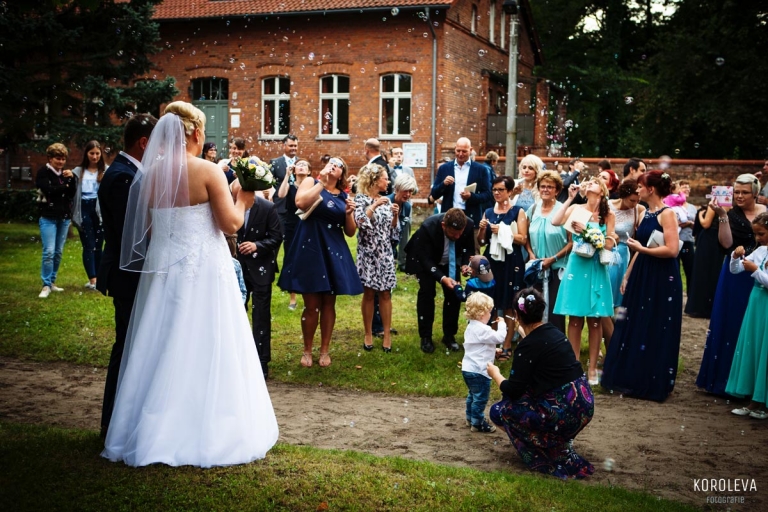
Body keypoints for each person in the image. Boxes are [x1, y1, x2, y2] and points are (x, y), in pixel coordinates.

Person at [102, 101, 278, 467]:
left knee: (161, 342)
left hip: (162, 270)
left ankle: (147, 427)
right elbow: (230, 225)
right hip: (204, 270)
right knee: (208, 341)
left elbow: (148, 230)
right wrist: (243, 198)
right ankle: (207, 426)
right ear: (196, 133)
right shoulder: (208, 170)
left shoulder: (149, 175)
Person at [486, 288, 594, 480]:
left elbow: (513, 391)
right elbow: (539, 344)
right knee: (529, 395)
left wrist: (496, 374)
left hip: (564, 414)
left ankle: (548, 448)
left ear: (517, 315)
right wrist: (524, 331)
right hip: (584, 407)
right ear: (541, 311)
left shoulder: (525, 349)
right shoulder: (555, 332)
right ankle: (558, 440)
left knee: (499, 411)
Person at [96, 114, 157, 438]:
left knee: (132, 345)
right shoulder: (123, 177)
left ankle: (122, 419)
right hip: (127, 275)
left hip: (131, 272)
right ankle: (112, 421)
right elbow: (131, 236)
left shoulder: (129, 172)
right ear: (143, 142)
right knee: (127, 346)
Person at [601, 171, 682, 402]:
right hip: (642, 273)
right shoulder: (646, 212)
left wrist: (643, 251)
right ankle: (633, 377)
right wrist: (627, 274)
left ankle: (652, 380)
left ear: (651, 189)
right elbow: (640, 246)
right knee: (637, 323)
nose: (638, 190)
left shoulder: (668, 214)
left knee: (655, 324)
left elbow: (672, 250)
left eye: (641, 186)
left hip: (661, 276)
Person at [277, 157, 363, 368]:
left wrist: (350, 213)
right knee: (311, 304)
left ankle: (324, 350)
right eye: (330, 162)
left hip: (333, 250)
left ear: (342, 173)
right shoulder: (311, 183)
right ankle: (307, 350)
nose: (333, 165)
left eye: (338, 164)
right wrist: (322, 183)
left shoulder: (344, 196)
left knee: (328, 303)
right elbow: (300, 202)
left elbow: (350, 232)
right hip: (310, 248)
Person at [696, 174, 767, 396]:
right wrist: (723, 215)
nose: (739, 195)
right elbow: (726, 243)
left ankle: (754, 383)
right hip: (735, 272)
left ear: (755, 193)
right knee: (732, 321)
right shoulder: (730, 214)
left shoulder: (765, 215)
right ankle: (726, 379)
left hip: (761, 272)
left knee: (756, 327)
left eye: (744, 192)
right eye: (736, 191)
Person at [551, 177, 616, 385]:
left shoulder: (607, 215)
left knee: (595, 320)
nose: (589, 184)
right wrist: (569, 199)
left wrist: (588, 232)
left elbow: (608, 243)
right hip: (577, 267)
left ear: (602, 191)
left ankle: (592, 368)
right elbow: (555, 221)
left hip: (596, 267)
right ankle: (574, 365)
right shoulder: (577, 209)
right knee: (576, 318)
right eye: (588, 183)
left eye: (595, 183)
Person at [404, 208, 475, 354]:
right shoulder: (428, 227)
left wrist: (465, 265)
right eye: (453, 233)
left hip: (451, 261)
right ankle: (426, 337)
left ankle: (449, 336)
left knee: (454, 295)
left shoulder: (468, 225)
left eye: (460, 233)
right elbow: (425, 259)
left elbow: (468, 249)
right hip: (428, 261)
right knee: (427, 293)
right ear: (444, 226)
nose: (457, 236)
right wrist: (442, 278)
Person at [477, 175, 527, 357]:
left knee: (508, 304)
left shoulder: (518, 211)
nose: (497, 193)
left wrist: (505, 231)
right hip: (492, 260)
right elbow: (481, 241)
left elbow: (523, 238)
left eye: (501, 190)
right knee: (491, 302)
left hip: (511, 260)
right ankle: (492, 342)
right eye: (494, 190)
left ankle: (507, 344)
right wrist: (483, 229)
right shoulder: (488, 212)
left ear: (510, 191)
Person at [726, 212, 768, 418]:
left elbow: (761, 276)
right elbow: (735, 270)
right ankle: (754, 399)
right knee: (755, 347)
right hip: (756, 303)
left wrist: (756, 272)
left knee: (765, 350)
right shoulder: (760, 251)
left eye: (761, 234)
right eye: (756, 234)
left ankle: (764, 402)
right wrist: (735, 257)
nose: (758, 238)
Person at [237, 194, 283, 379]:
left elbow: (276, 237)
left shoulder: (267, 207)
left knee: (261, 315)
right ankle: (237, 357)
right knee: (235, 312)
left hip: (261, 267)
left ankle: (261, 362)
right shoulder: (228, 202)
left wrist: (257, 245)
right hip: (235, 266)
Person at [354, 164, 400, 352]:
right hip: (367, 254)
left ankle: (387, 334)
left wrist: (395, 216)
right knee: (369, 294)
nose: (387, 181)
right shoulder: (360, 199)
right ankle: (368, 333)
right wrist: (373, 205)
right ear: (374, 180)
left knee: (386, 294)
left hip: (385, 253)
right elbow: (360, 223)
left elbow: (393, 232)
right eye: (384, 178)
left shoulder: (387, 201)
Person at [525, 170, 572, 334]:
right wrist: (531, 254)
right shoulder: (533, 209)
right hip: (536, 267)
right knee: (535, 308)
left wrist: (552, 259)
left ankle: (557, 344)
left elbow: (571, 242)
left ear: (557, 190)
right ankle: (537, 343)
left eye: (550, 187)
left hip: (557, 268)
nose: (545, 189)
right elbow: (526, 237)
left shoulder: (564, 211)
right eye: (542, 186)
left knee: (554, 310)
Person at [605, 180, 645, 344]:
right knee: (605, 296)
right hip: (607, 252)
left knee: (618, 300)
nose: (634, 204)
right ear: (623, 195)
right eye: (631, 200)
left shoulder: (638, 210)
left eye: (637, 200)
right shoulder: (608, 206)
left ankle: (615, 340)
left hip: (623, 253)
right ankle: (607, 339)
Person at [36, 143, 77, 298]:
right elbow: (49, 190)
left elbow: (71, 193)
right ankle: (45, 285)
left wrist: (71, 180)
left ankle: (52, 282)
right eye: (57, 159)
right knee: (49, 251)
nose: (60, 162)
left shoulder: (66, 174)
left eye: (63, 159)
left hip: (64, 218)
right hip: (47, 217)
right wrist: (65, 185)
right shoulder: (43, 172)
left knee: (58, 252)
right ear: (50, 158)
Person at [461, 292, 507, 433]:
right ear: (482, 314)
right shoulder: (483, 329)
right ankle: (478, 423)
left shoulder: (471, 327)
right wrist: (503, 325)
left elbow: (478, 347)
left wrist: (493, 351)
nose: (491, 315)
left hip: (468, 369)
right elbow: (499, 337)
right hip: (480, 371)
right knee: (481, 398)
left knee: (473, 395)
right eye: (489, 312)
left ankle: (470, 417)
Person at [430, 137, 492, 239]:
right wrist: (443, 184)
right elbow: (434, 193)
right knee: (446, 251)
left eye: (464, 151)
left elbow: (488, 194)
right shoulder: (445, 168)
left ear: (471, 150)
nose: (460, 154)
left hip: (471, 217)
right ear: (455, 149)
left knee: (472, 251)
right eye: (458, 151)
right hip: (448, 216)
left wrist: (471, 196)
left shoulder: (481, 170)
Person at [275, 158, 311, 310]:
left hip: (307, 224)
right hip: (291, 225)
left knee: (306, 260)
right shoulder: (289, 185)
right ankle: (292, 298)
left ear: (309, 171)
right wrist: (286, 175)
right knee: (291, 259)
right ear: (294, 170)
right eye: (299, 165)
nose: (301, 167)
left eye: (304, 165)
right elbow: (281, 195)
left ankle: (307, 295)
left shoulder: (312, 186)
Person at [71, 140, 105, 291]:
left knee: (99, 244)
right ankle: (92, 278)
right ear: (86, 154)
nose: (95, 156)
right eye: (92, 153)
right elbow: (71, 191)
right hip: (84, 208)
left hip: (99, 210)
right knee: (89, 244)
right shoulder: (78, 172)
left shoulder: (106, 171)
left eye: (97, 153)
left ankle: (99, 276)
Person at [684, 202, 723, 318]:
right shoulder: (728, 206)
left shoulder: (714, 205)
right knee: (713, 271)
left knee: (702, 271)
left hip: (708, 239)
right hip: (717, 240)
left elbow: (706, 224)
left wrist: (700, 214)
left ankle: (699, 307)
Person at [388, 174, 418, 272]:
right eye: (405, 190)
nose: (408, 194)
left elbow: (401, 232)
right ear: (396, 189)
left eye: (411, 191)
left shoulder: (407, 206)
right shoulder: (386, 202)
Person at [675, 180, 697, 290]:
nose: (687, 189)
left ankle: (690, 297)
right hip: (675, 242)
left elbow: (697, 226)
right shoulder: (671, 205)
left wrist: (689, 223)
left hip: (688, 242)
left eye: (688, 187)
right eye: (684, 187)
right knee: (675, 271)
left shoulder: (692, 208)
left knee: (690, 270)